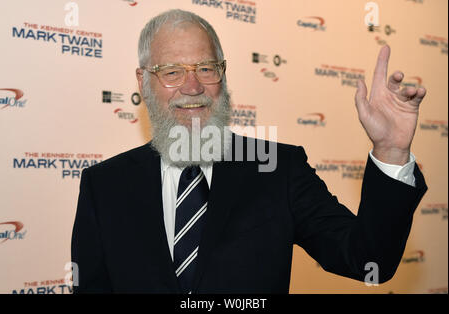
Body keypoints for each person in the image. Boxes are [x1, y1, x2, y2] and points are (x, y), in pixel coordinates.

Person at [71, 9, 428, 294]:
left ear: (223, 77)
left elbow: (369, 261)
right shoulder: (103, 187)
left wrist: (390, 150)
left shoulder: (279, 170)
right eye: (172, 71)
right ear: (143, 81)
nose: (192, 86)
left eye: (206, 68)